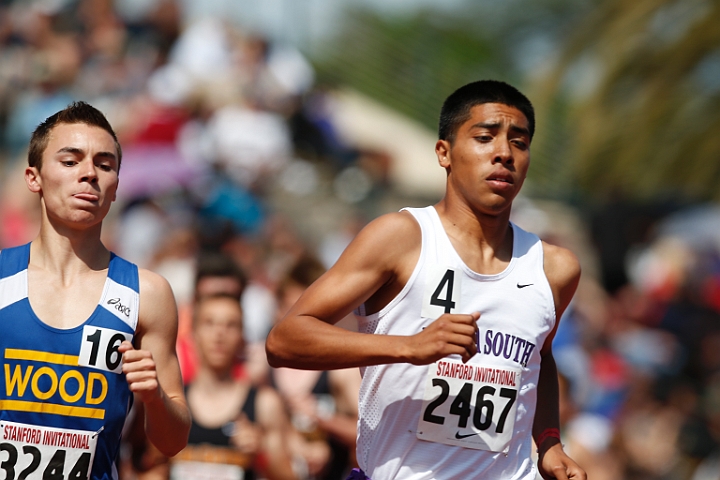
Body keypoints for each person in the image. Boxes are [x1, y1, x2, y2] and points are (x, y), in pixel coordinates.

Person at [266, 80, 587, 480]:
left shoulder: (554, 268)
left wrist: (550, 442)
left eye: (519, 143)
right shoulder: (400, 238)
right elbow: (284, 341)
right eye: (485, 138)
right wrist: (410, 346)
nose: (504, 153)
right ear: (444, 152)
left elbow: (540, 357)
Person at [0, 102, 190, 480]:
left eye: (104, 165)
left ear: (116, 185)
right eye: (70, 162)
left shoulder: (147, 294)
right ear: (33, 177)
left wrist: (153, 398)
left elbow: (173, 441)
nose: (89, 174)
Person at [170, 292, 297, 480]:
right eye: (209, 323)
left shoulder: (264, 404)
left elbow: (289, 477)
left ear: (242, 338)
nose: (219, 334)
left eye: (231, 325)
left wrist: (259, 453)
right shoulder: (172, 401)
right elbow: (150, 468)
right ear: (193, 335)